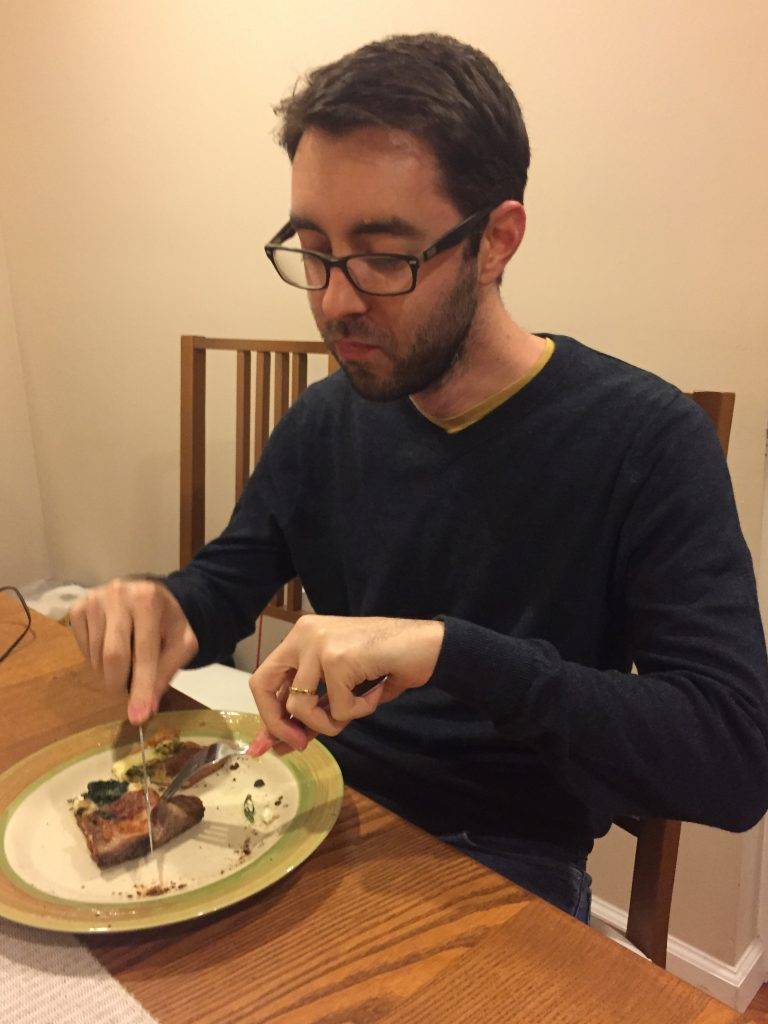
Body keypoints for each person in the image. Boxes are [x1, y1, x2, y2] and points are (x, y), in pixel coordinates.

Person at [70, 32, 768, 925]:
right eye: (314, 249)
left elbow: (730, 759)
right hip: (311, 808)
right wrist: (165, 609)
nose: (334, 301)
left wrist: (451, 650)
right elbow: (223, 587)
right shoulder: (327, 420)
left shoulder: (647, 439)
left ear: (496, 242)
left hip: (506, 861)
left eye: (384, 256)